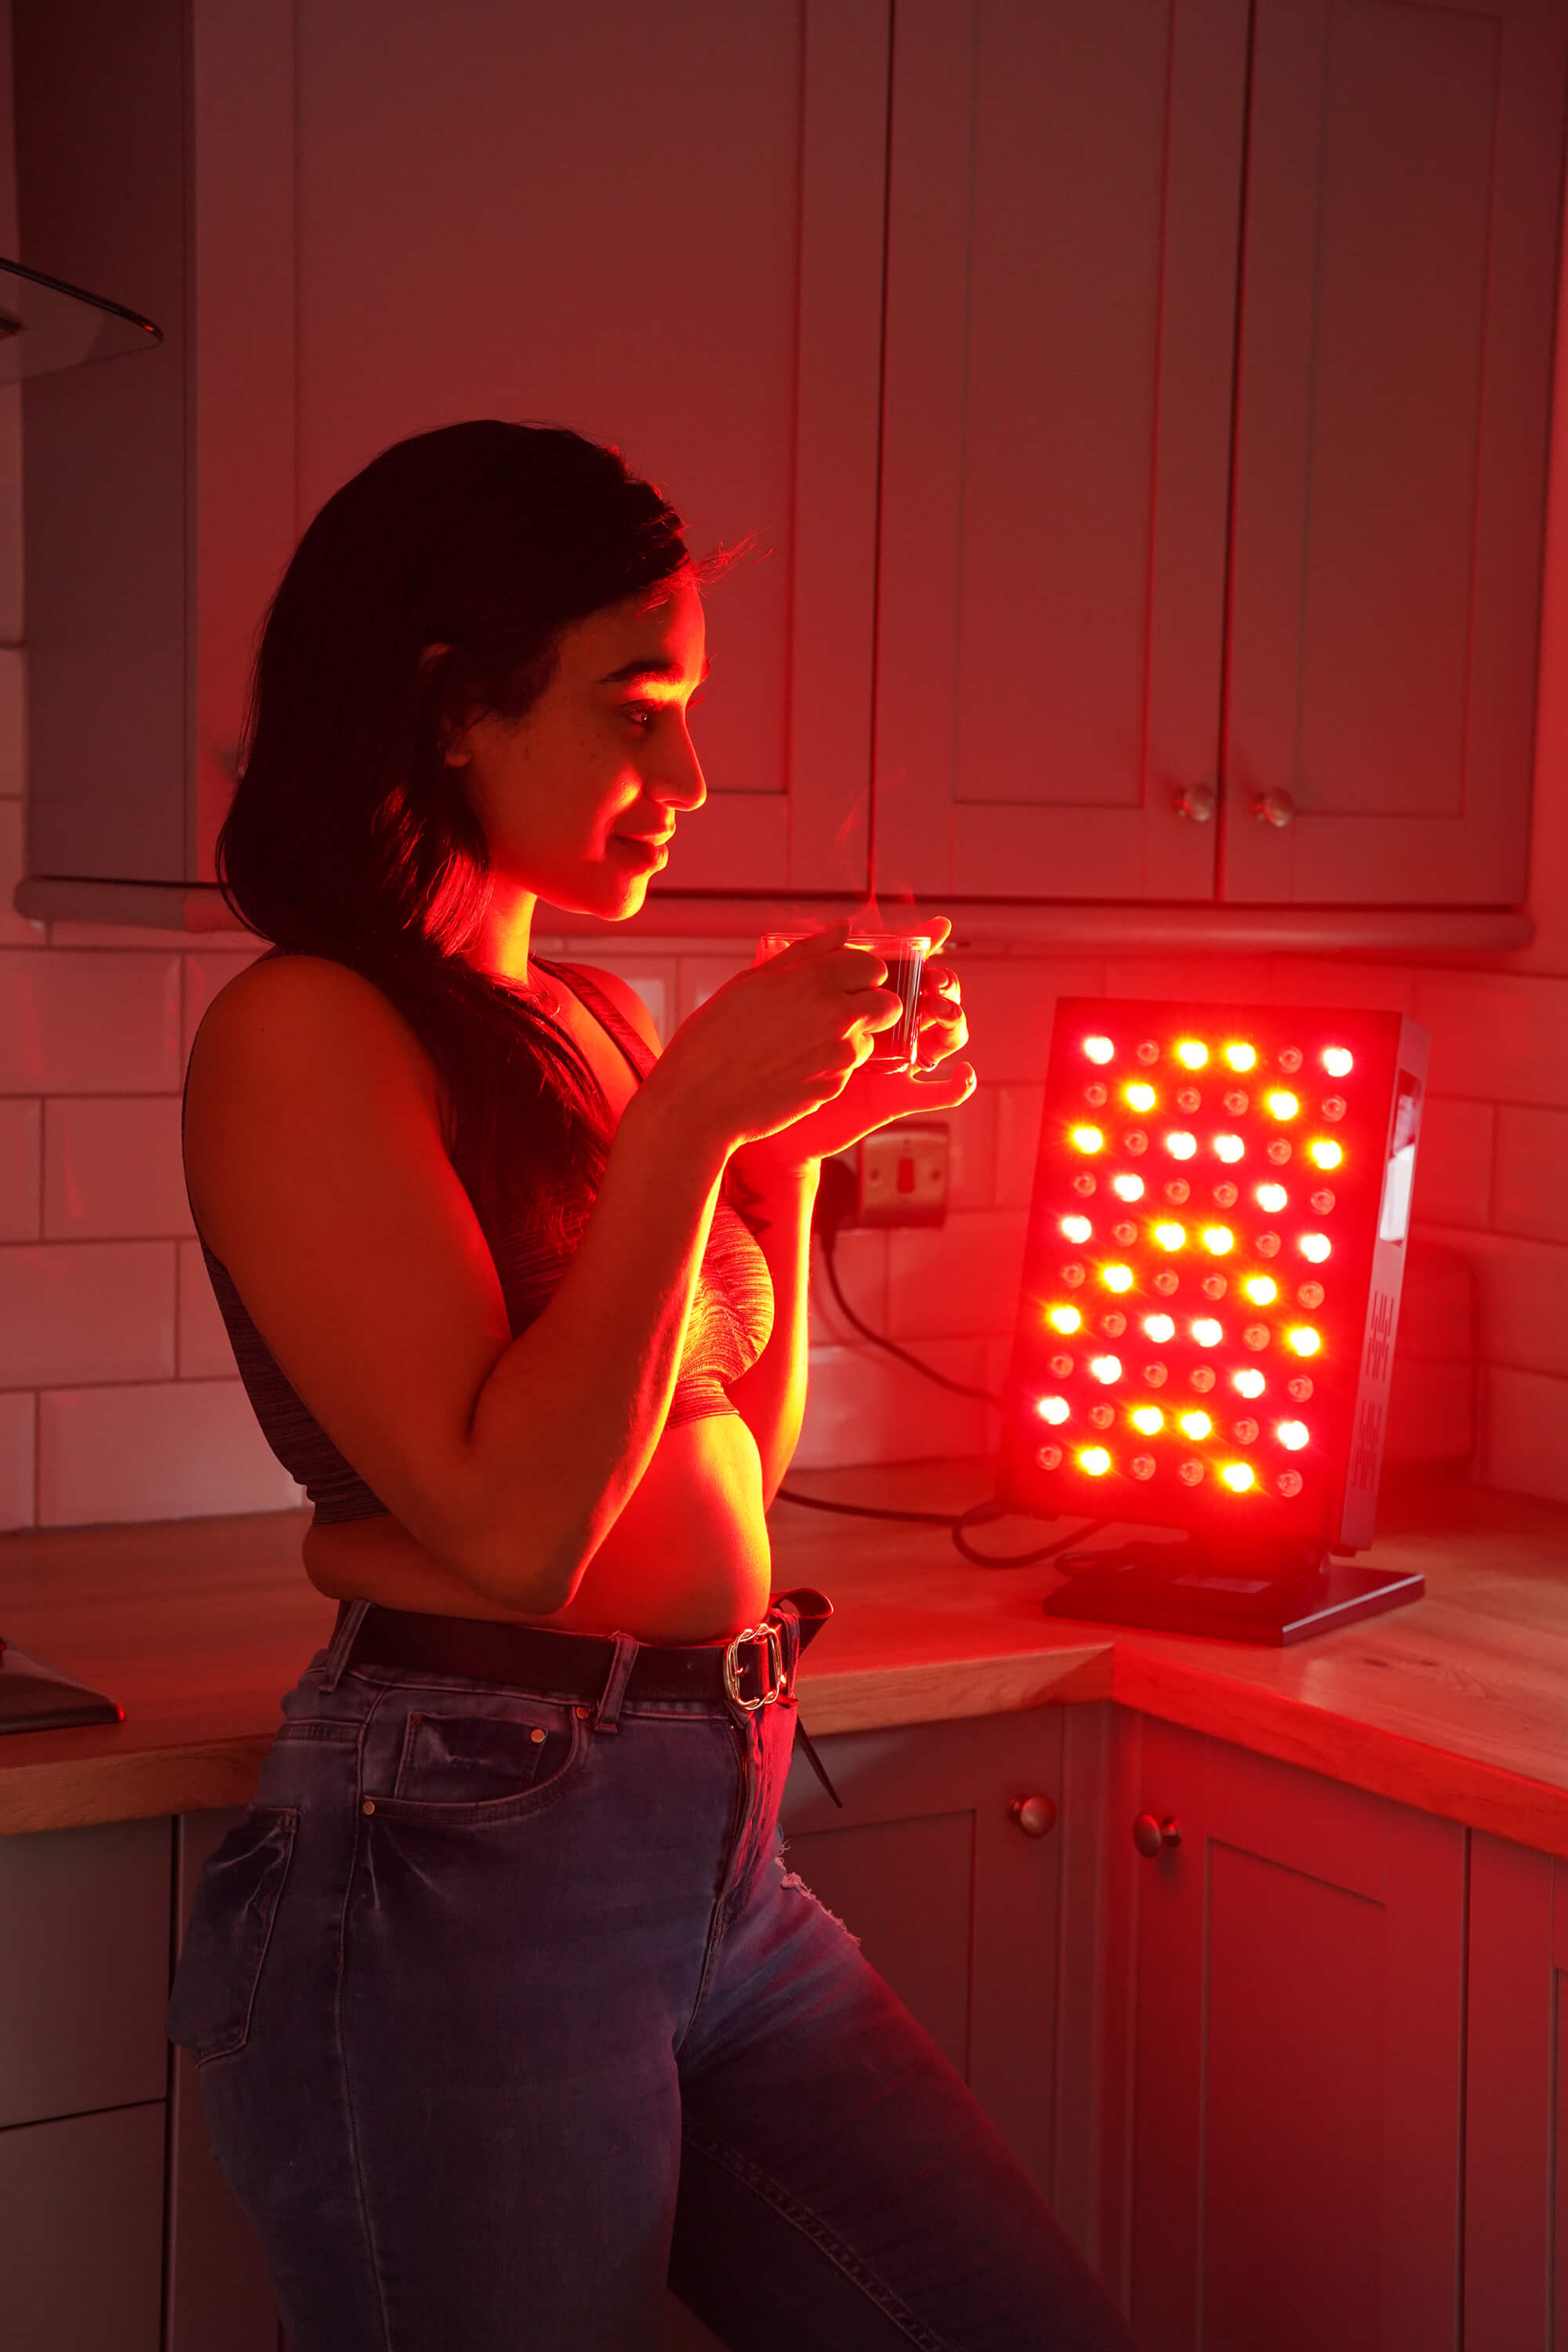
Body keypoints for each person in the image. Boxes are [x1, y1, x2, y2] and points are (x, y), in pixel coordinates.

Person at [165, 419, 1137, 2351]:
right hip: (465, 1858)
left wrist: (788, 1143)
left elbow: (722, 1467)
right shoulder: (305, 1028)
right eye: (636, 710)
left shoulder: (583, 1018)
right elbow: (520, 1537)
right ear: (451, 708)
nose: (684, 778)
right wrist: (694, 1123)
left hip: (717, 1834)